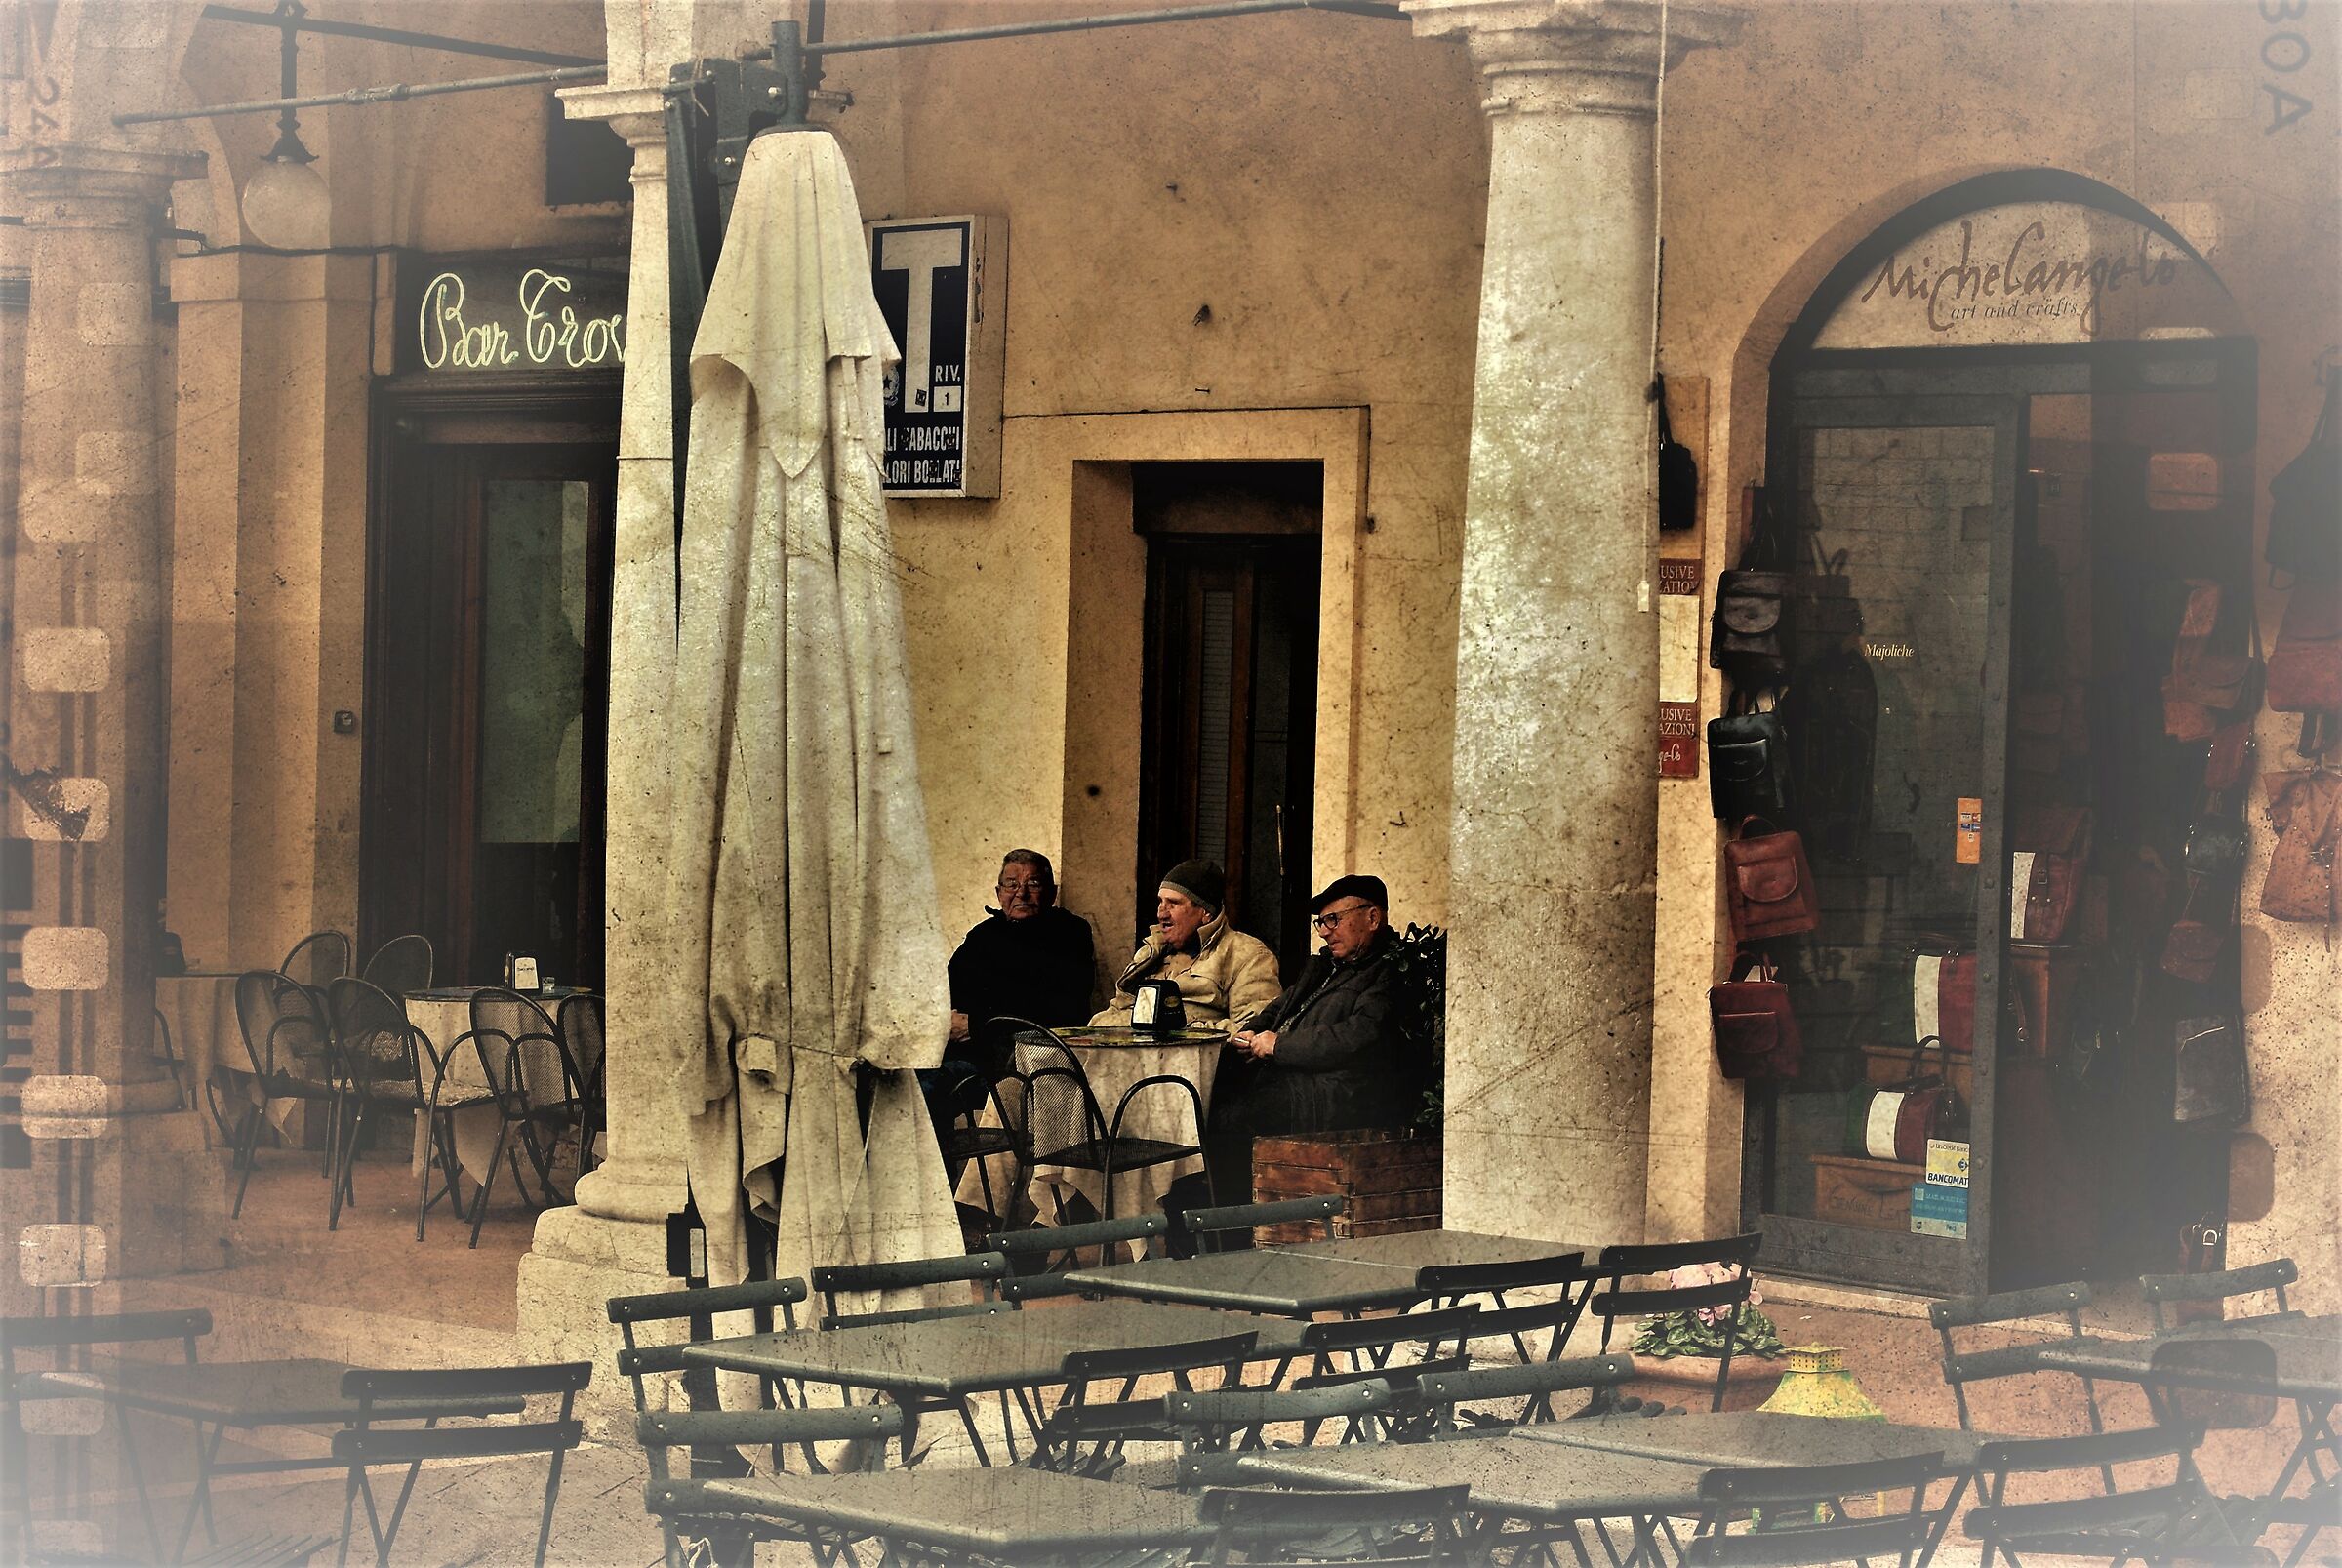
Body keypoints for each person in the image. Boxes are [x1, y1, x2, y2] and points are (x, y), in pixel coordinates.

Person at [1203, 873, 1419, 1204]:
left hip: (1335, 1092)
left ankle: (1231, 1227)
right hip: (1294, 1077)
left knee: (1235, 1117)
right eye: (1321, 923)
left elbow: (1358, 1036)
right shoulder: (1325, 966)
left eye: (1334, 920)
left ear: (1372, 917)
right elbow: (1278, 1008)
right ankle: (1197, 1216)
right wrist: (1253, 1032)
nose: (1325, 931)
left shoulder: (1390, 971)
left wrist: (1279, 1046)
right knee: (1207, 1094)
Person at [926, 849, 1096, 1125]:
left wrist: (976, 1025)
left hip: (1011, 1065)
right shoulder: (983, 936)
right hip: (956, 1054)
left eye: (1033, 884)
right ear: (998, 892)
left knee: (926, 1091)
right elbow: (942, 993)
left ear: (1051, 893)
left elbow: (1058, 1007)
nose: (1022, 893)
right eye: (1012, 884)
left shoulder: (1069, 934)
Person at [1091, 859, 1279, 1033]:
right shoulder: (1150, 952)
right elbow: (1115, 1011)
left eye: (1173, 903)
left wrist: (1182, 1028)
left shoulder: (1247, 955)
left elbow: (1252, 1032)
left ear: (1205, 912)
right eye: (1161, 902)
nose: (1161, 914)